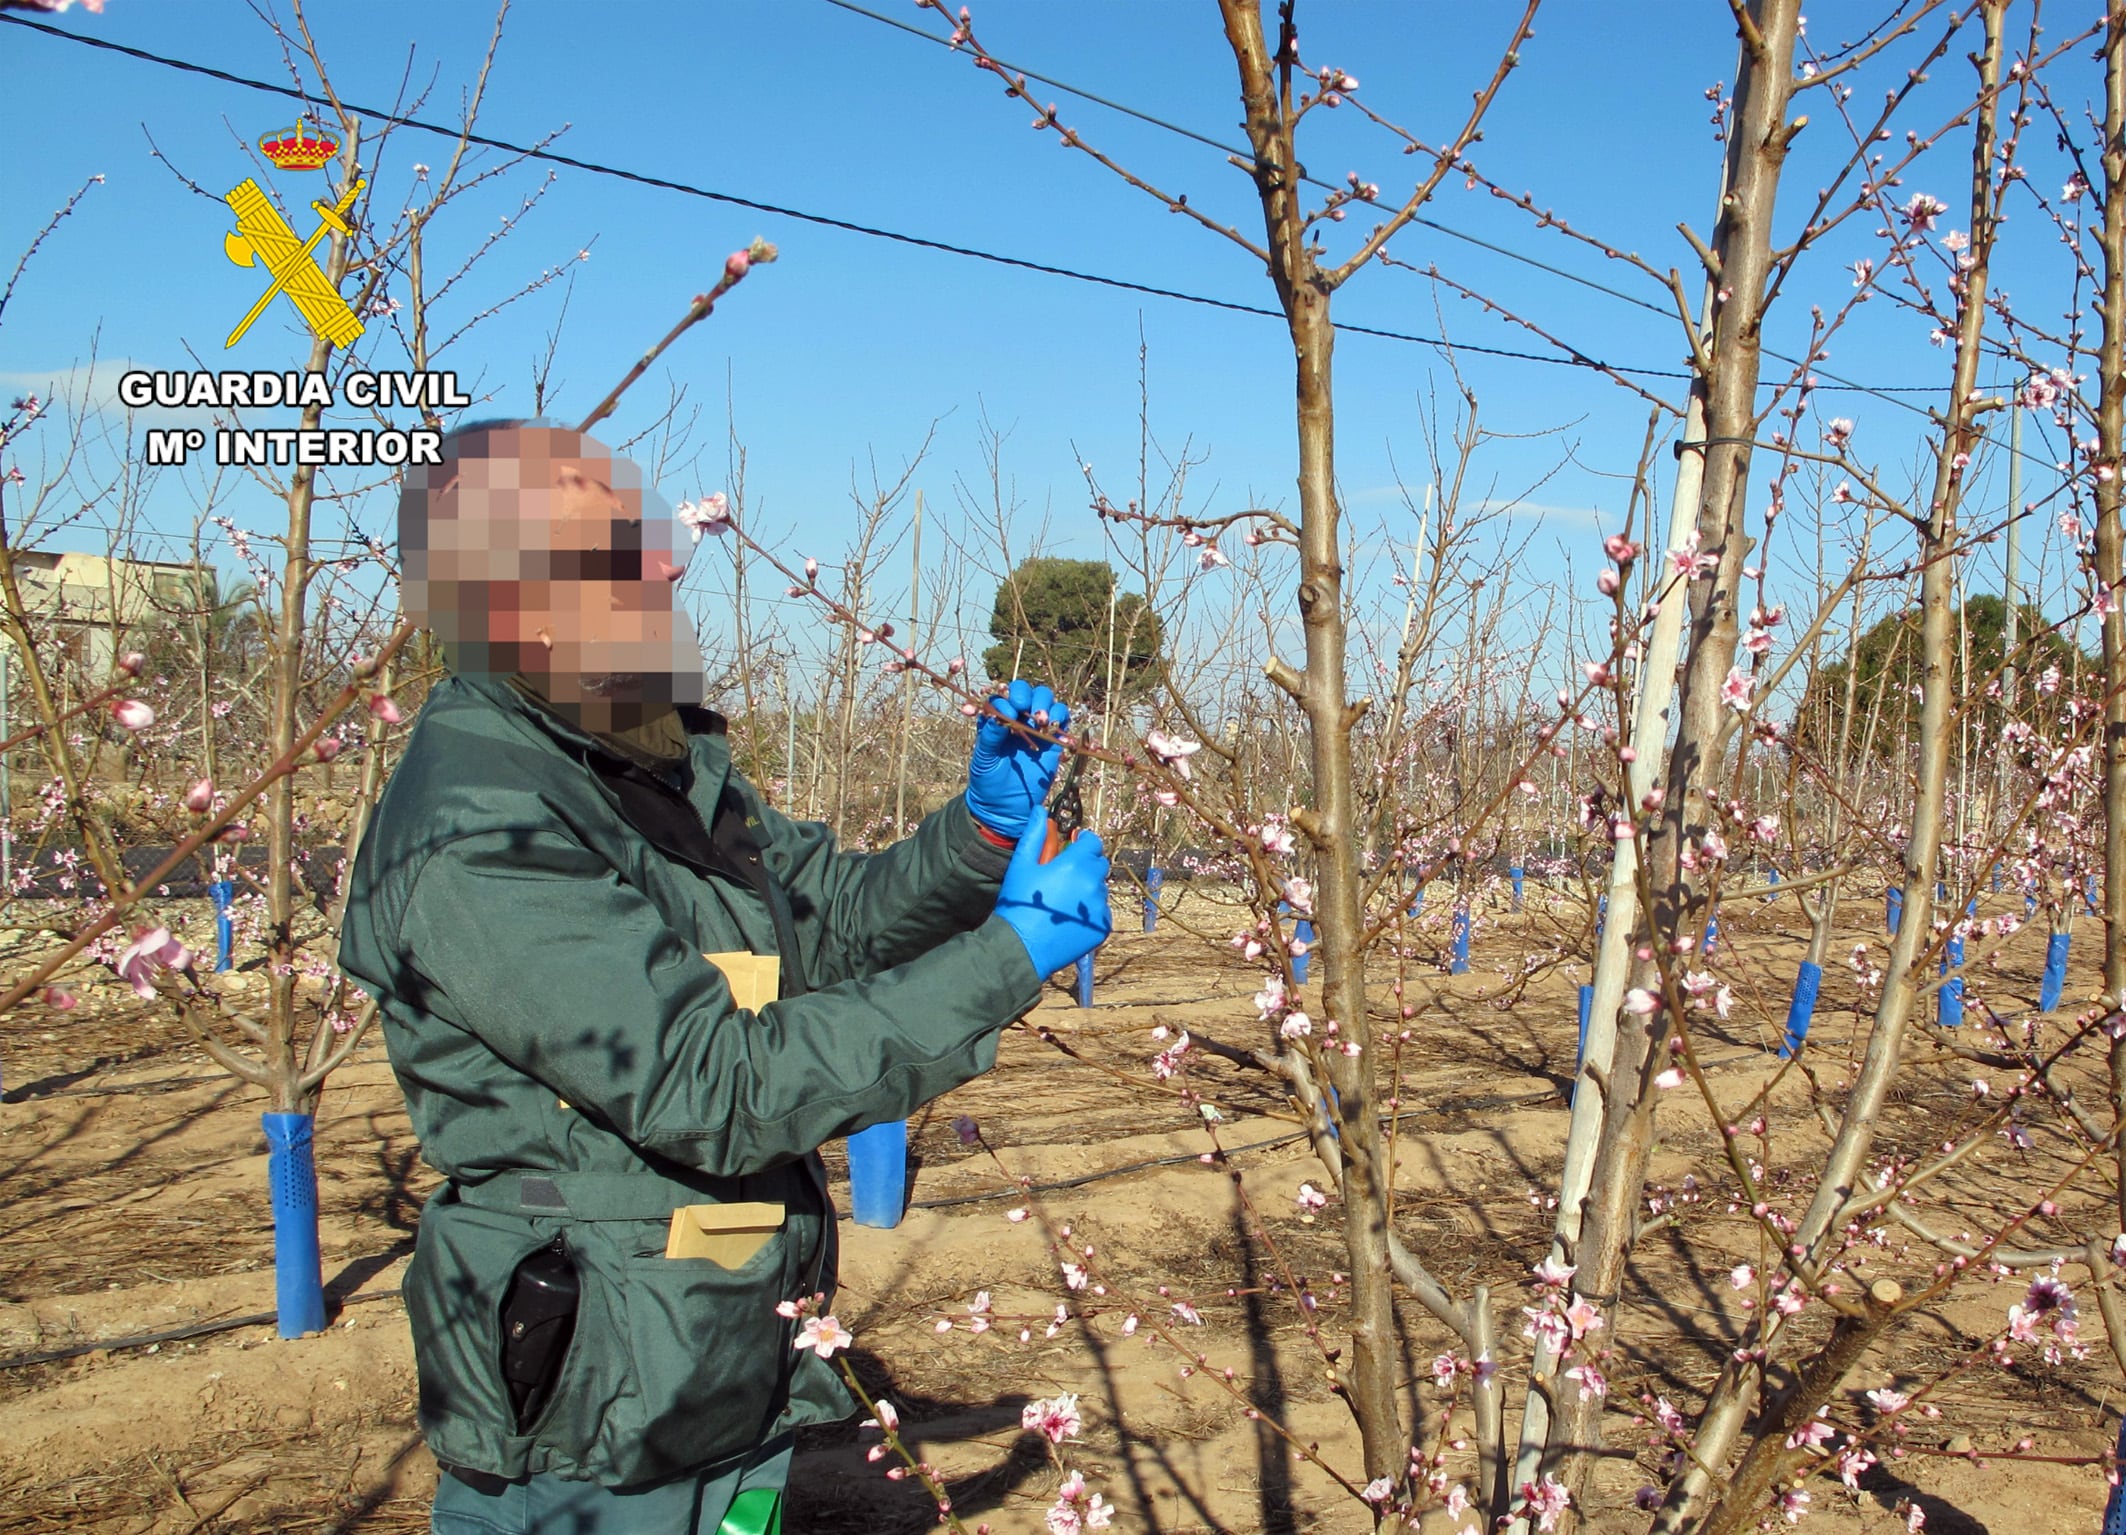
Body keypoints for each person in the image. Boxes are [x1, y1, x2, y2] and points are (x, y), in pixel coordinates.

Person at [338, 421, 1112, 1535]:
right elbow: (711, 1084)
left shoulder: (651, 757)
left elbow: (825, 926)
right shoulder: (481, 827)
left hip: (720, 1362)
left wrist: (981, 835)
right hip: (603, 1413)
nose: (667, 558)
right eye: (619, 543)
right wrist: (1006, 959)